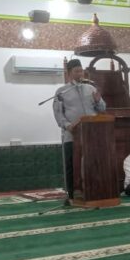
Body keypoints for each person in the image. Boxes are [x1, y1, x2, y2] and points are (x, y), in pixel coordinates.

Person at [53, 58, 106, 205]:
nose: (80, 73)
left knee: (93, 163)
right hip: (72, 135)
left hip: (91, 134)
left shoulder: (91, 89)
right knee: (72, 166)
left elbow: (102, 108)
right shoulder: (61, 92)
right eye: (76, 71)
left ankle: (93, 192)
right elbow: (58, 113)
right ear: (69, 73)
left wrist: (98, 101)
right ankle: (72, 195)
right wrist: (68, 126)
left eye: (81, 71)